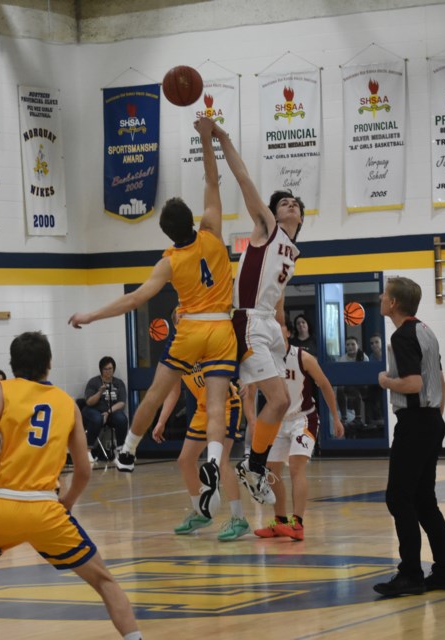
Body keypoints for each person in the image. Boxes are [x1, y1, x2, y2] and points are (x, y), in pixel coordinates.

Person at [68, 117, 236, 520]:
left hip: (192, 327)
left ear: (166, 233)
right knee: (216, 404)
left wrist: (91, 315)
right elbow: (213, 182)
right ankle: (214, 458)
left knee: (159, 391)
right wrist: (205, 138)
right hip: (223, 326)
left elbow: (137, 299)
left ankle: (127, 451)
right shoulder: (211, 231)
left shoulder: (169, 261)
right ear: (192, 221)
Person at [0, 331, 142, 640]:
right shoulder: (67, 403)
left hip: (2, 507)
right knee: (105, 581)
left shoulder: (2, 391)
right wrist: (69, 502)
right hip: (47, 509)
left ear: (12, 365)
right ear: (49, 364)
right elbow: (82, 470)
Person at [208, 117, 304, 506]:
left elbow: (276, 292)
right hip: (246, 320)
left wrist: (281, 323)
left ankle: (254, 464)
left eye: (295, 203)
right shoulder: (266, 229)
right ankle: (253, 464)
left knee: (280, 402)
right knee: (279, 401)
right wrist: (223, 138)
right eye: (284, 202)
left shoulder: (292, 251)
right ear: (273, 214)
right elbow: (244, 178)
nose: (290, 204)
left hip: (264, 323)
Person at [373, 277, 445, 597]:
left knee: (398, 498)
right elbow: (441, 382)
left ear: (393, 303)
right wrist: (434, 416)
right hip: (431, 421)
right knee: (424, 501)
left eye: (385, 295)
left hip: (415, 423)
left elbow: (412, 384)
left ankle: (410, 573)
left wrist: (385, 381)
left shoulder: (402, 336)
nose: (381, 298)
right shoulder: (426, 331)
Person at [151, 309, 249, 541]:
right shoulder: (177, 352)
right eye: (181, 319)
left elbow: (239, 355)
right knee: (185, 460)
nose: (185, 322)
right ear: (176, 324)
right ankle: (201, 512)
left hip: (226, 404)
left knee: (221, 462)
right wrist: (162, 421)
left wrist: (246, 379)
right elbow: (173, 390)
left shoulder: (209, 340)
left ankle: (239, 518)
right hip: (203, 410)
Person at [255, 318, 344, 541]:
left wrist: (336, 417)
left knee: (296, 467)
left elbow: (324, 384)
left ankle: (298, 523)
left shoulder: (303, 357)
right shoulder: (264, 360)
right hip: (277, 421)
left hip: (303, 419)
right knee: (271, 472)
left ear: (287, 332)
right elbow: (250, 388)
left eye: (279, 326)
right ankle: (280, 521)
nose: (275, 330)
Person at [79, 357, 128, 461]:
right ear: (101, 369)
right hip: (93, 410)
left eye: (110, 368)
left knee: (122, 419)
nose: (108, 371)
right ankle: (88, 451)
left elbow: (122, 403)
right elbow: (89, 402)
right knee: (97, 419)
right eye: (106, 369)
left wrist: (108, 412)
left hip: (110, 411)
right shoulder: (93, 382)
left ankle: (119, 449)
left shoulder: (118, 383)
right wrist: (99, 392)